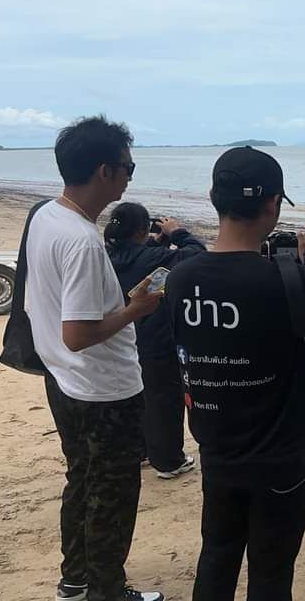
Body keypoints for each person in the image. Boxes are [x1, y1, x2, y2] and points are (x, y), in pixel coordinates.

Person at [166, 146, 305, 600]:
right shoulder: (286, 279)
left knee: (216, 558)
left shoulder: (181, 277)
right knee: (271, 573)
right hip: (281, 459)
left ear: (215, 198)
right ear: (272, 205)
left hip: (217, 450)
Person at [26, 116, 164, 601]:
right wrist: (135, 309)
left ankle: (76, 579)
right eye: (129, 168)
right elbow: (79, 335)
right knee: (113, 496)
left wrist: (121, 303)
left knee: (82, 481)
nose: (129, 178)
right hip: (102, 390)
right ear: (105, 171)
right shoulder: (82, 240)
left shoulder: (46, 216)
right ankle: (108, 590)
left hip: (63, 379)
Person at [105, 203, 206, 479]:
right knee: (164, 400)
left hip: (118, 337)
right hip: (155, 339)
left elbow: (134, 254)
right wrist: (177, 232)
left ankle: (140, 450)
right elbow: (197, 255)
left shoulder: (106, 254)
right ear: (141, 229)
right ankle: (169, 461)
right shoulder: (152, 258)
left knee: (135, 397)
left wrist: (154, 241)